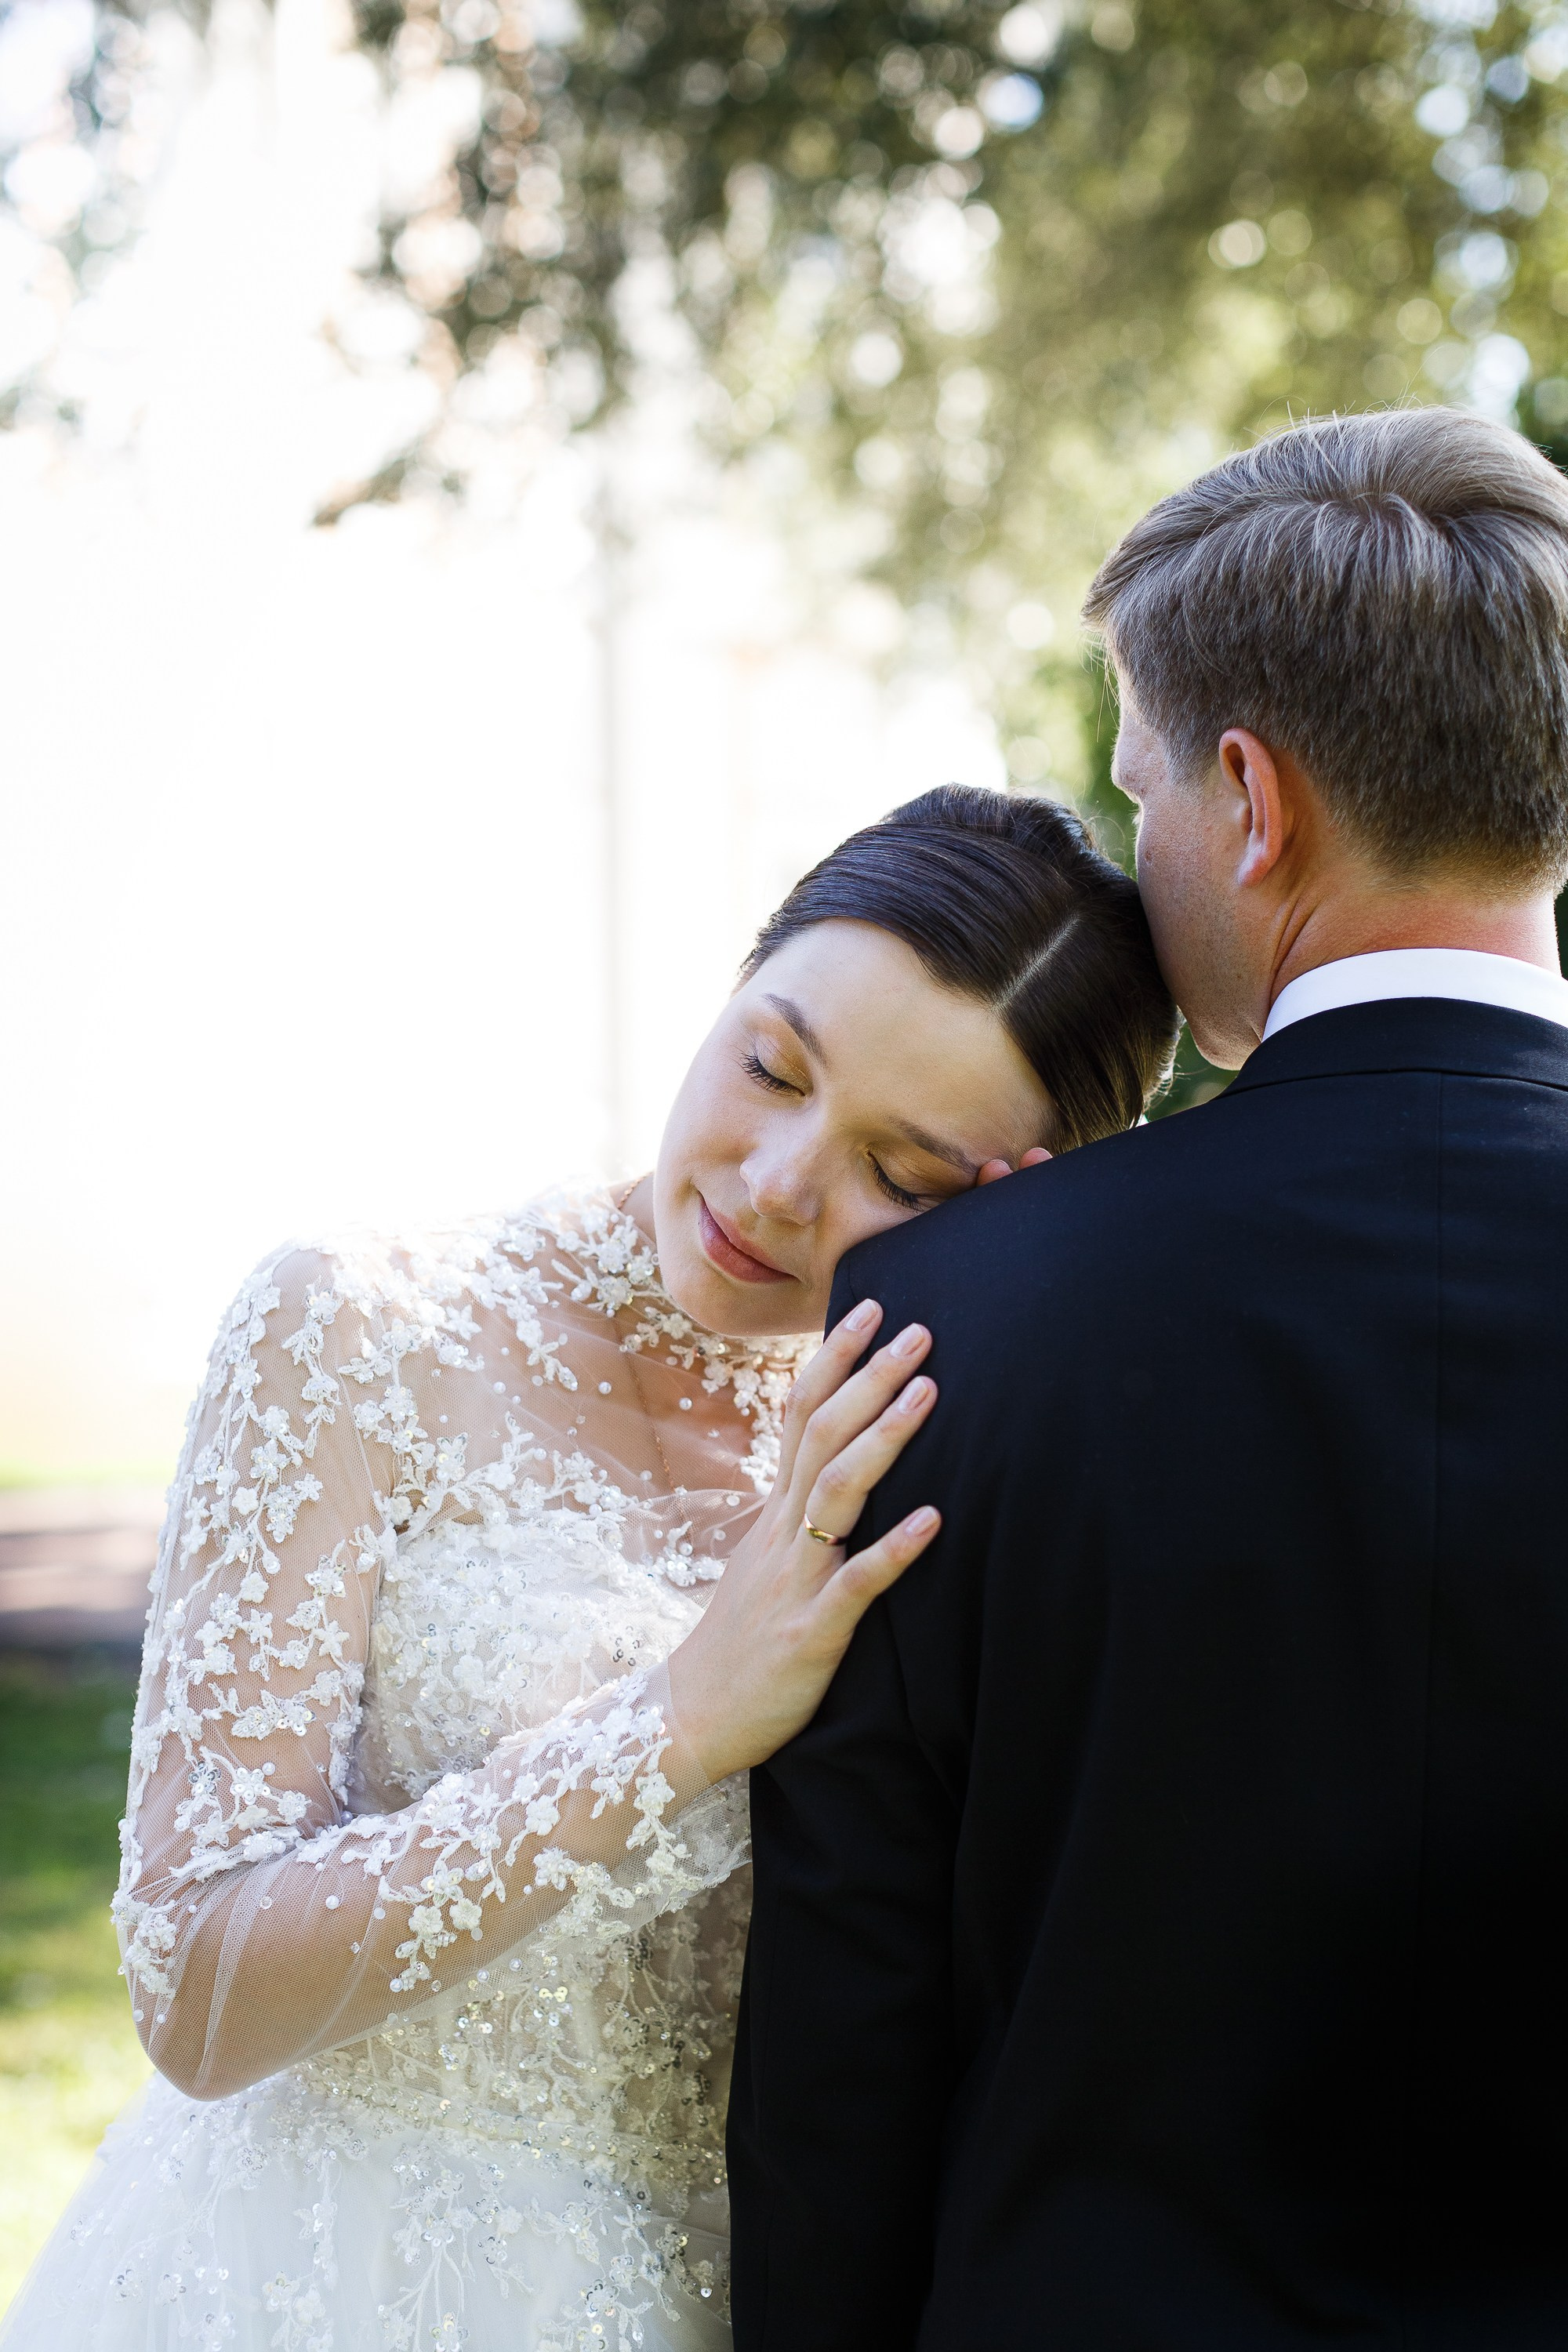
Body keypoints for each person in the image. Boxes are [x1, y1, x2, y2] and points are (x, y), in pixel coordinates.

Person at [0, 786, 1176, 2352]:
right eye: (769, 1065)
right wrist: (676, 1719)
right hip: (301, 2284)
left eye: (901, 1174)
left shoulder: (951, 1475)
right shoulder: (357, 1330)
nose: (773, 1179)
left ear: (1011, 1203)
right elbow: (193, 1988)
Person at [729, 407, 1568, 2349]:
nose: (1143, 852)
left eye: (1142, 792)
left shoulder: (944, 1322)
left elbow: (846, 2061)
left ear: (1253, 806)